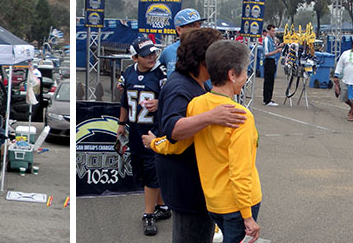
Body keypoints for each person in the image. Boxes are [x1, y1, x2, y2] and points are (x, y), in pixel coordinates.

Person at [147, 40, 262, 243]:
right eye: (245, 72)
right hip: (238, 205)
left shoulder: (197, 104)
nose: (246, 78)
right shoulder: (241, 116)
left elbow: (180, 143)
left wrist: (156, 144)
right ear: (232, 75)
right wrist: (248, 216)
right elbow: (240, 170)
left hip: (214, 203)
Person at [117, 38, 171, 236]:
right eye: (146, 54)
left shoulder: (160, 74)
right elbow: (124, 102)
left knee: (151, 172)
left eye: (153, 53)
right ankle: (162, 206)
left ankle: (148, 214)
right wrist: (121, 124)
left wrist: (160, 102)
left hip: (153, 131)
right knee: (141, 172)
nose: (152, 57)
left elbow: (171, 99)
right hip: (134, 132)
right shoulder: (129, 73)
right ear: (134, 57)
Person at [159, 8, 204, 74]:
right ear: (179, 30)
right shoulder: (168, 51)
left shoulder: (207, 50)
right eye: (192, 25)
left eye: (199, 24)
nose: (198, 29)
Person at [261, 24, 283, 106]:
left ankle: (268, 98)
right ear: (268, 31)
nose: (274, 32)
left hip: (273, 61)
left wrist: (279, 47)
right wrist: (276, 52)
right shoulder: (266, 40)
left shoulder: (272, 39)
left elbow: (273, 49)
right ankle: (267, 100)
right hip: (269, 61)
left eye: (274, 31)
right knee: (268, 81)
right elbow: (266, 53)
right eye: (272, 31)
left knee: (271, 80)